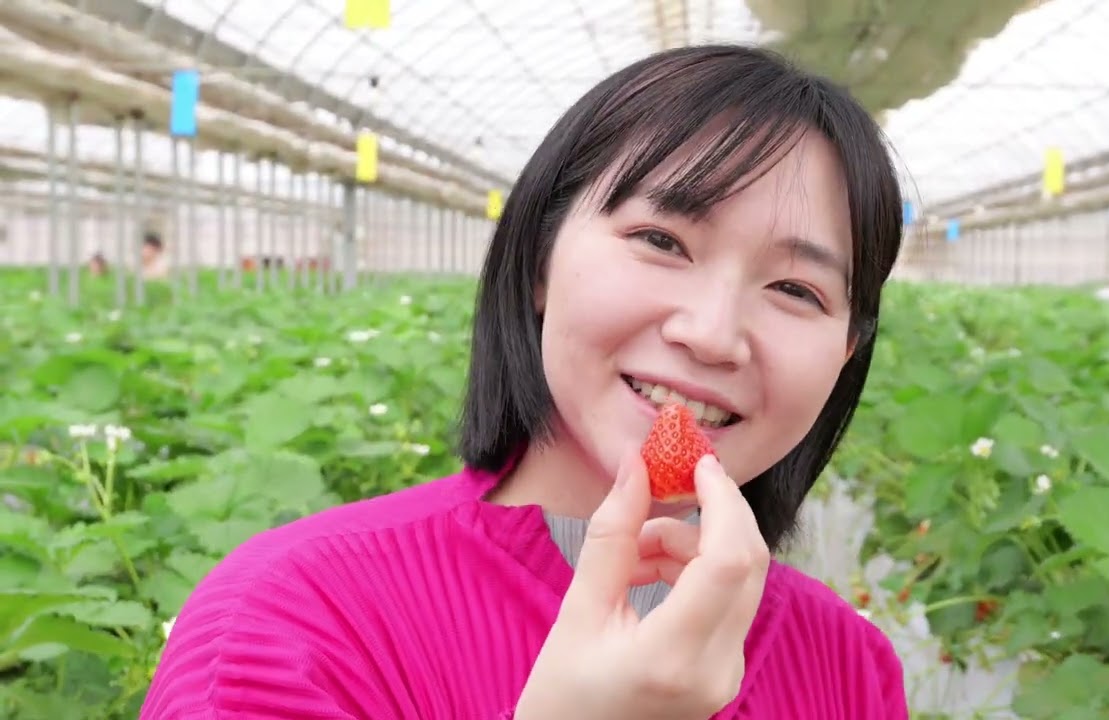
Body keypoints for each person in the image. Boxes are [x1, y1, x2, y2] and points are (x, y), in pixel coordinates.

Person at [141, 44, 907, 719]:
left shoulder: (849, 665)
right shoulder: (290, 624)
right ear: (540, 259)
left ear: (845, 354)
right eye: (661, 240)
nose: (709, 334)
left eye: (796, 291)